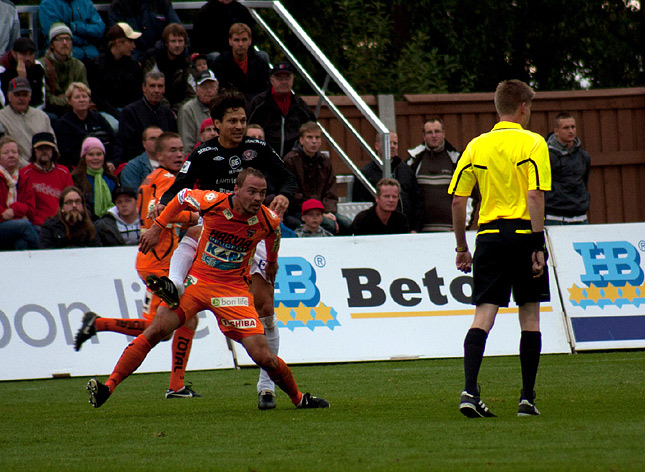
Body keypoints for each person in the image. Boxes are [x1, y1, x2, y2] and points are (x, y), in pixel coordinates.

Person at [85, 168, 329, 410]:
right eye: (252, 191)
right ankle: (109, 386)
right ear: (236, 189)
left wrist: (273, 263)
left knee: (263, 356)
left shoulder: (267, 219)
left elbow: (273, 236)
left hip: (233, 291)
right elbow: (181, 198)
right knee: (157, 329)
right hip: (198, 284)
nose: (257, 198)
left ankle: (299, 399)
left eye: (262, 193)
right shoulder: (213, 202)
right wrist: (158, 226)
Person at [148, 90, 297, 410]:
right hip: (215, 235)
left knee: (266, 307)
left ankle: (266, 384)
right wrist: (159, 208)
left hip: (251, 236)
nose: (239, 126)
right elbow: (179, 188)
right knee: (192, 231)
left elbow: (287, 177)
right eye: (232, 121)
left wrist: (284, 194)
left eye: (243, 120)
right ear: (217, 124)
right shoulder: (203, 153)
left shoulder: (256, 148)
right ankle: (175, 283)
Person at [448, 79, 551, 418]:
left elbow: (459, 199)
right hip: (524, 234)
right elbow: (535, 195)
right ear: (523, 107)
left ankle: (469, 390)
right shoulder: (533, 142)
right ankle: (526, 398)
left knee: (484, 315)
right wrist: (538, 244)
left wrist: (462, 246)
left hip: (489, 235)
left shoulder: (477, 145)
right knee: (530, 316)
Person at [76, 132, 201, 398]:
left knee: (183, 322)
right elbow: (165, 212)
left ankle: (176, 385)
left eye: (182, 150)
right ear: (158, 155)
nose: (180, 154)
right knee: (162, 328)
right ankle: (100, 325)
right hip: (161, 261)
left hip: (152, 259)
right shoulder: (167, 179)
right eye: (173, 150)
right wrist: (196, 214)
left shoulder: (150, 179)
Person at [409, 117, 475, 232]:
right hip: (419, 234)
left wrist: (463, 224)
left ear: (443, 133)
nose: (434, 135)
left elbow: (469, 195)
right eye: (429, 132)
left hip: (450, 232)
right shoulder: (413, 161)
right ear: (424, 136)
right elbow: (406, 196)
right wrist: (412, 228)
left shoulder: (457, 161)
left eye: (437, 131)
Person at [283, 121, 347, 234]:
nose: (314, 141)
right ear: (301, 140)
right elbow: (291, 193)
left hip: (323, 210)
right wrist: (316, 211)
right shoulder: (290, 161)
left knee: (347, 224)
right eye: (309, 137)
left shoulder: (325, 161)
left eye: (317, 137)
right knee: (329, 225)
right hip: (300, 211)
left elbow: (331, 191)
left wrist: (328, 211)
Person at [352, 132, 423, 232]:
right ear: (377, 146)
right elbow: (359, 203)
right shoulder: (365, 174)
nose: (393, 146)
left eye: (395, 143)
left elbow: (417, 201)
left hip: (405, 228)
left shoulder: (406, 171)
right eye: (389, 143)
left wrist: (415, 228)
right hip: (373, 230)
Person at [247, 61, 317, 157]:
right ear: (272, 80)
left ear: (292, 80)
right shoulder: (258, 103)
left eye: (287, 78)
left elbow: (312, 129)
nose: (284, 82)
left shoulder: (300, 106)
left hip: (294, 162)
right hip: (265, 159)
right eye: (279, 78)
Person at [86, 22, 143, 127]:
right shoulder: (96, 65)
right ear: (118, 43)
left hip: (129, 111)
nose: (134, 46)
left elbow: (138, 95)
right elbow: (98, 98)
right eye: (130, 41)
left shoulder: (133, 66)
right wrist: (118, 114)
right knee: (117, 126)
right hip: (105, 112)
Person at [53, 82, 120, 169]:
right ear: (69, 101)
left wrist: (112, 162)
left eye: (85, 96)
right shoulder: (63, 124)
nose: (82, 100)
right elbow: (67, 154)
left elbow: (116, 143)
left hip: (107, 165)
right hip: (80, 168)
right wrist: (94, 163)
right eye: (77, 97)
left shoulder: (98, 118)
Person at [118, 70, 177, 162]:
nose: (156, 90)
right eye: (152, 86)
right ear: (144, 88)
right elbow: (127, 146)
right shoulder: (130, 112)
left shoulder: (168, 114)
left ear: (164, 89)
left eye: (160, 86)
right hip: (139, 163)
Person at [19, 132, 73, 232]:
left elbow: (70, 201)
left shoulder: (64, 172)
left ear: (53, 151)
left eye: (47, 148)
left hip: (61, 223)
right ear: (34, 151)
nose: (44, 152)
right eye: (40, 148)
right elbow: (25, 207)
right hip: (37, 225)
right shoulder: (24, 174)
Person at [545, 112, 591, 225]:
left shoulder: (584, 156)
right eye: (566, 128)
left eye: (573, 127)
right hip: (555, 218)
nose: (571, 131)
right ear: (556, 131)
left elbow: (584, 182)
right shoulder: (547, 156)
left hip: (580, 217)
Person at [0, 77, 55, 168]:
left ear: (30, 96)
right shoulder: (1, 118)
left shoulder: (42, 116)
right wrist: (30, 168)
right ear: (9, 97)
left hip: (44, 166)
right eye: (17, 95)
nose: (21, 98)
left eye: (25, 95)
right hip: (16, 170)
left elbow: (53, 144)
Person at [37, 23, 88, 118]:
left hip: (74, 110)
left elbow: (85, 93)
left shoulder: (79, 65)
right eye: (60, 39)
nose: (65, 43)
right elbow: (46, 99)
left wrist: (68, 99)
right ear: (52, 44)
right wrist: (71, 100)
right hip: (52, 112)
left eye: (68, 39)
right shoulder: (41, 65)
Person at [144, 23, 195, 114]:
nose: (177, 45)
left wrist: (177, 109)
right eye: (173, 41)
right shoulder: (154, 59)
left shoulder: (187, 62)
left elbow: (192, 92)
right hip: (156, 105)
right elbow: (152, 87)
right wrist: (167, 110)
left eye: (180, 41)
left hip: (180, 109)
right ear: (166, 43)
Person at [211, 23, 270, 102]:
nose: (241, 44)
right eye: (236, 40)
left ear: (250, 41)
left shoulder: (260, 62)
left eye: (244, 40)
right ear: (230, 41)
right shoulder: (220, 63)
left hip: (256, 106)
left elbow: (265, 90)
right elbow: (221, 93)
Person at [108, 0, 180, 64]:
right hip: (131, 59)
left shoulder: (162, 3)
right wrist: (135, 61)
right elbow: (118, 38)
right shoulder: (119, 5)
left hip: (161, 57)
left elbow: (178, 32)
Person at [0, 136, 39, 250]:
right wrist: (13, 214)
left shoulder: (24, 179)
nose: (11, 155)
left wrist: (13, 211)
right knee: (24, 226)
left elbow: (31, 210)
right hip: (7, 225)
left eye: (14, 152)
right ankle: (45, 258)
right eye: (6, 152)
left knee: (22, 242)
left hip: (15, 225)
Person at [38, 0, 105, 61]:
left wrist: (75, 27)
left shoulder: (86, 2)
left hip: (91, 54)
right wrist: (86, 38)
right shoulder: (48, 4)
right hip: (63, 55)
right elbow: (54, 35)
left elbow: (100, 29)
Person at [71, 137, 118, 220]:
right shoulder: (76, 179)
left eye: (99, 154)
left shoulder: (111, 179)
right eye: (91, 154)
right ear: (84, 157)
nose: (95, 158)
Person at [0, 37, 47, 110]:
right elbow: (4, 101)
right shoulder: (3, 69)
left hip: (34, 113)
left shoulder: (38, 68)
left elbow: (41, 100)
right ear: (14, 54)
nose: (28, 58)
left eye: (31, 54)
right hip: (8, 114)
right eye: (24, 54)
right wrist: (20, 79)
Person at [178, 70, 218, 151]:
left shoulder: (222, 108)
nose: (209, 90)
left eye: (212, 87)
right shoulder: (188, 110)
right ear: (196, 90)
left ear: (217, 89)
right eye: (204, 87)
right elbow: (186, 145)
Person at [118, 126, 162, 190]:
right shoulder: (132, 167)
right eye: (152, 138)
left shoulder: (174, 163)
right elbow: (134, 196)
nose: (157, 142)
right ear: (144, 143)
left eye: (160, 138)